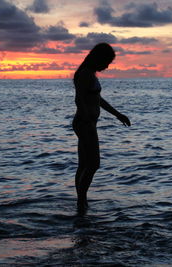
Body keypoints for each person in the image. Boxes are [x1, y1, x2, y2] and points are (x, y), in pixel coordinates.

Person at [72, 43, 131, 214]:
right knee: (93, 164)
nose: (107, 66)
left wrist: (118, 114)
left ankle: (81, 203)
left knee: (83, 164)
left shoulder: (90, 74)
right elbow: (79, 100)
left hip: (88, 123)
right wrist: (88, 120)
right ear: (98, 58)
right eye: (106, 62)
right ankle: (82, 202)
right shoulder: (84, 74)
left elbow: (98, 99)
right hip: (85, 124)